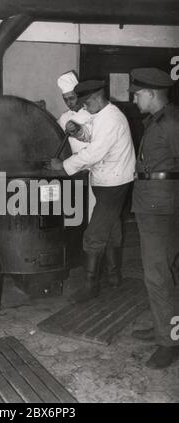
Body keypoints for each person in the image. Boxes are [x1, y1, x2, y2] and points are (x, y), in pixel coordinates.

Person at [47, 80, 136, 297]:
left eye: (86, 104)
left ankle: (90, 287)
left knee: (93, 235)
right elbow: (89, 136)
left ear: (96, 98)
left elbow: (95, 152)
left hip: (113, 182)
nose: (83, 108)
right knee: (112, 227)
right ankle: (114, 277)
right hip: (109, 179)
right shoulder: (101, 114)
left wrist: (63, 166)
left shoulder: (112, 118)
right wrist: (78, 131)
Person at [129, 67, 179, 369]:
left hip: (160, 209)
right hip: (156, 204)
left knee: (157, 275)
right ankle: (167, 326)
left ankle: (168, 342)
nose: (135, 99)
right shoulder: (160, 120)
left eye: (137, 94)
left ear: (150, 93)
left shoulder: (171, 122)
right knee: (165, 272)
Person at [57, 70, 91, 153]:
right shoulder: (63, 117)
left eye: (71, 98)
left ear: (79, 96)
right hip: (70, 162)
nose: (69, 103)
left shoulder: (92, 113)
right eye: (65, 99)